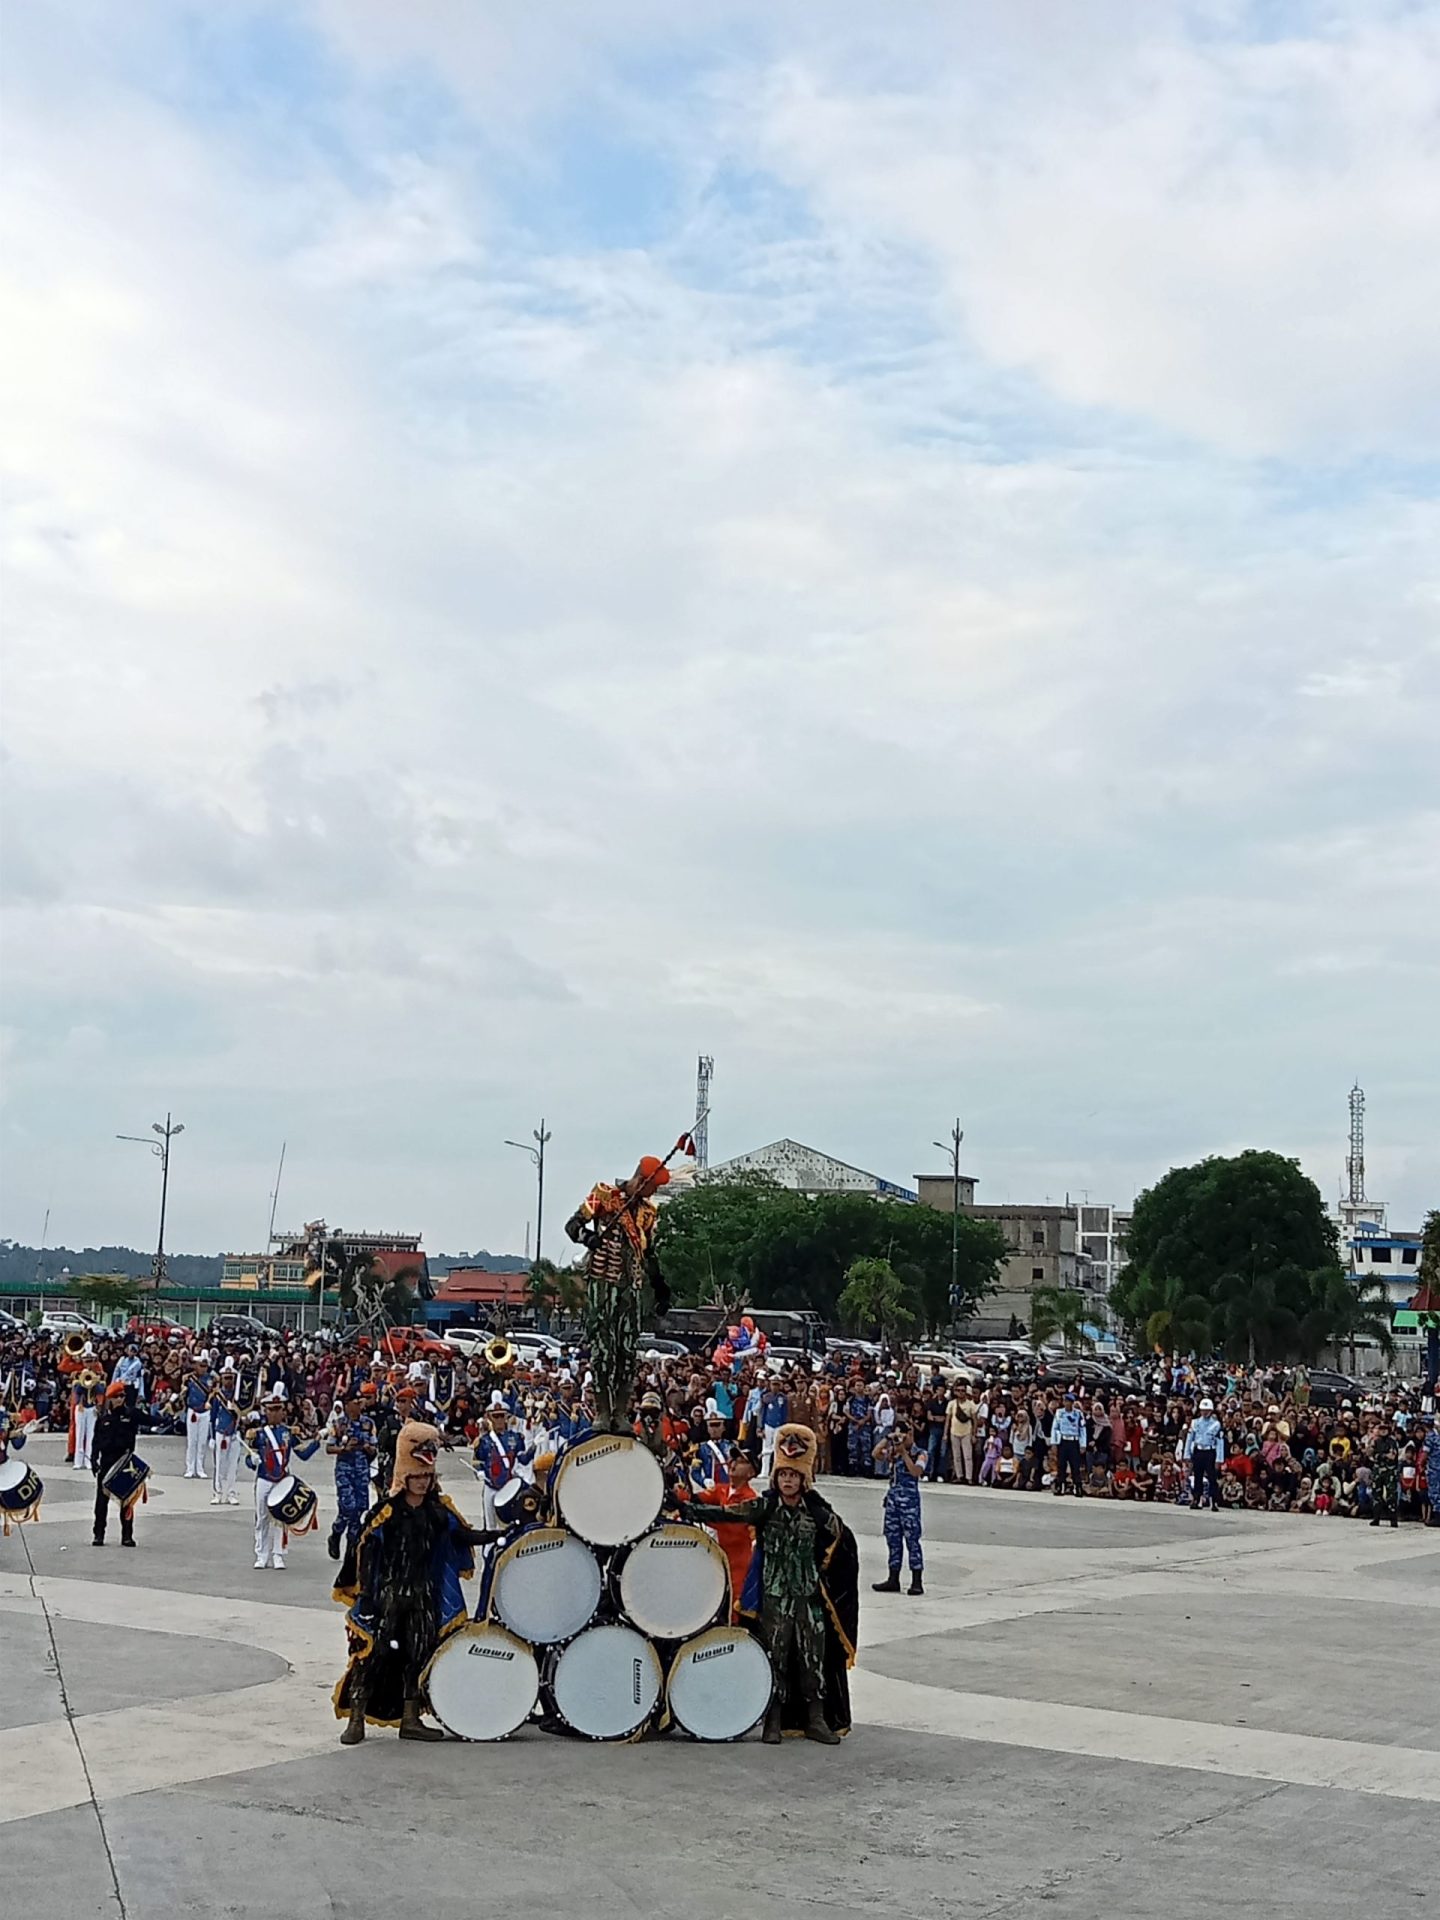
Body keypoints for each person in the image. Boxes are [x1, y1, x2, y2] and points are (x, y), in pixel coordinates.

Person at [332, 1421, 494, 1745]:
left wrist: (500, 1535)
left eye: (427, 1477)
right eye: (417, 1477)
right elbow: (364, 1551)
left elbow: (463, 1535)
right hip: (389, 1598)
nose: (422, 1482)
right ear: (405, 1476)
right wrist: (366, 1593)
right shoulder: (387, 1512)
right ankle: (356, 1719)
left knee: (417, 1656)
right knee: (373, 1657)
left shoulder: (438, 1512)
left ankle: (410, 1719)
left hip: (424, 1598)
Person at [702, 1424, 858, 1745]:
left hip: (808, 1599)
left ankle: (816, 1719)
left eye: (794, 1475)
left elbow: (843, 1545)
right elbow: (728, 1514)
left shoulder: (818, 1514)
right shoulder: (765, 1508)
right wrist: (686, 1504)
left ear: (804, 1479)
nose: (788, 1480)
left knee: (812, 1658)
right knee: (776, 1657)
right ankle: (773, 1720)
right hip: (775, 1601)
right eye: (783, 1475)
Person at [564, 1152, 676, 1432]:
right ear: (641, 1179)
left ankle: (621, 1412)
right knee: (603, 1350)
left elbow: (648, 1254)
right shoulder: (604, 1195)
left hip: (631, 1287)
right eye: (652, 1188)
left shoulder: (647, 1213)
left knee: (627, 1351)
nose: (653, 1193)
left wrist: (659, 1286)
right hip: (602, 1283)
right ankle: (602, 1411)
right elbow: (572, 1225)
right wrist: (587, 1237)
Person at [244, 1391, 320, 1571]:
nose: (275, 1413)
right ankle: (261, 1555)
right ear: (266, 1411)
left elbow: (303, 1454)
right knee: (262, 1517)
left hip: (283, 1479)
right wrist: (252, 1461)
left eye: (279, 1409)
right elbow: (249, 1459)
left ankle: (278, 1554)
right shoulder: (258, 1434)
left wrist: (316, 1442)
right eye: (271, 1410)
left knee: (281, 1519)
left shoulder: (288, 1433)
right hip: (264, 1478)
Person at [872, 1417, 925, 1595]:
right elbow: (876, 1454)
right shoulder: (894, 1452)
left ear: (911, 1435)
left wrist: (904, 1453)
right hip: (893, 1501)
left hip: (909, 1503)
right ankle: (893, 1578)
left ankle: (917, 1580)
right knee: (893, 1539)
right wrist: (889, 1438)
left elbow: (916, 1472)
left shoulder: (920, 1453)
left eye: (904, 1435)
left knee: (912, 1540)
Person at [326, 1389, 377, 1563]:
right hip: (345, 1470)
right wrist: (343, 1449)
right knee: (348, 1506)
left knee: (360, 1508)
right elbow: (329, 1447)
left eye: (360, 1402)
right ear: (347, 1405)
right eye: (355, 1402)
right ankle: (336, 1532)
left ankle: (351, 1548)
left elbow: (374, 1448)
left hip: (362, 1470)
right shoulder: (339, 1424)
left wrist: (366, 1447)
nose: (359, 1405)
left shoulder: (368, 1423)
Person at [91, 1382, 141, 1549]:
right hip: (106, 1462)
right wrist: (93, 1460)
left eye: (122, 1396)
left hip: (124, 1462)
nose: (120, 1399)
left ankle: (127, 1535)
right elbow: (96, 1441)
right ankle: (99, 1534)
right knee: (101, 1502)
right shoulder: (103, 1419)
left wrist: (167, 1418)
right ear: (110, 1399)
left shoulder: (131, 1415)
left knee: (127, 1502)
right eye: (117, 1397)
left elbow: (150, 1419)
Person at [209, 1366, 244, 1505]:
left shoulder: (239, 1396)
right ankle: (217, 1493)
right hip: (221, 1432)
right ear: (222, 1379)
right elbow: (213, 1416)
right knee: (219, 1465)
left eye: (231, 1378)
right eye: (226, 1377)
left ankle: (231, 1493)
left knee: (233, 1466)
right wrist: (211, 1437)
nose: (228, 1381)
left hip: (235, 1433)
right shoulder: (217, 1396)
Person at [1183, 1398, 1225, 1511]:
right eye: (1203, 1410)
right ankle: (1196, 1499)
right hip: (1198, 1451)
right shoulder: (1195, 1422)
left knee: (1212, 1478)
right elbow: (1189, 1439)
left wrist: (1219, 1459)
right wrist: (1186, 1455)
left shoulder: (1216, 1424)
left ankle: (1214, 1501)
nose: (1205, 1412)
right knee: (1197, 1477)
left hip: (1210, 1452)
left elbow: (1220, 1442)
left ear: (1211, 1411)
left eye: (1207, 1410)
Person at [1050, 1392, 1087, 1496]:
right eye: (1065, 1401)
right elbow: (1055, 1428)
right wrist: (1054, 1443)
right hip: (1063, 1440)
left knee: (1075, 1466)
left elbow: (1082, 1429)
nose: (1066, 1403)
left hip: (1074, 1441)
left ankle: (1077, 1487)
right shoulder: (1059, 1413)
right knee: (1061, 1465)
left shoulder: (1078, 1414)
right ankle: (1060, 1487)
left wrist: (1083, 1444)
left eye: (1069, 1401)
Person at [183, 1357, 214, 1479]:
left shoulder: (210, 1379)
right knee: (192, 1441)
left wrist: (209, 1400)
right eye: (201, 1365)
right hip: (193, 1411)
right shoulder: (189, 1378)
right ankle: (190, 1468)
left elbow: (213, 1391)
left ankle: (200, 1468)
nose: (202, 1368)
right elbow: (183, 1388)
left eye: (205, 1366)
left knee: (202, 1442)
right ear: (196, 1366)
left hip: (204, 1411)